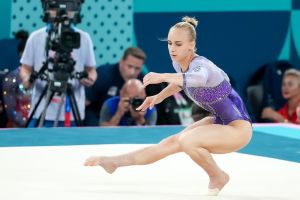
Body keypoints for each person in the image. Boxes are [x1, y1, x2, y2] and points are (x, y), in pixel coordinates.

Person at [84, 16, 252, 196]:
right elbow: (181, 83)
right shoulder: (179, 63)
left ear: (191, 44)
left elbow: (197, 79)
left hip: (238, 128)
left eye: (178, 44)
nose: (172, 48)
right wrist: (158, 97)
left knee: (187, 141)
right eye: (169, 43)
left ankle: (218, 176)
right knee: (169, 143)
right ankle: (115, 162)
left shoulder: (201, 65)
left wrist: (163, 76)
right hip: (219, 121)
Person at [19, 0, 97, 127]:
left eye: (69, 5)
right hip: (40, 112)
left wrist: (90, 78)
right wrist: (27, 78)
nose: (63, 10)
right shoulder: (35, 37)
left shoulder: (84, 38)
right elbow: (25, 68)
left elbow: (91, 69)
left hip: (71, 112)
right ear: (47, 8)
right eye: (56, 5)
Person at [84, 47, 147, 126]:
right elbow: (84, 102)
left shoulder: (144, 81)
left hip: (129, 121)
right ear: (121, 61)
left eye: (137, 68)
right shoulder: (103, 75)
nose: (132, 72)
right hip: (97, 116)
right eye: (129, 66)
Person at [2, 30, 32, 127]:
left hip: (41, 125)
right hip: (19, 128)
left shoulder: (44, 77)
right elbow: (10, 110)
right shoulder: (11, 78)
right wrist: (29, 124)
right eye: (27, 53)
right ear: (20, 54)